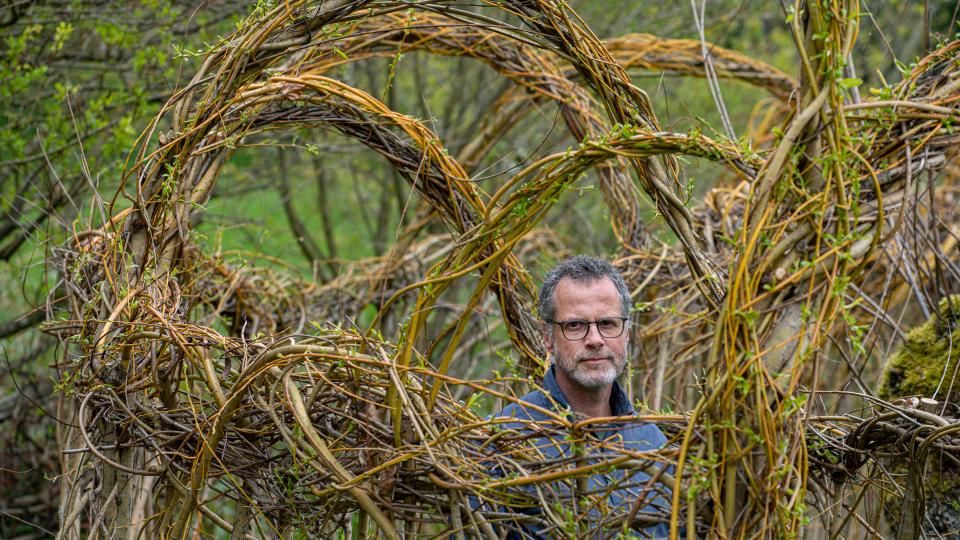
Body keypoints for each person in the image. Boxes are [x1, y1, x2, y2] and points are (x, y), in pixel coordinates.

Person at [482, 255, 671, 538]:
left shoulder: (654, 444)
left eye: (607, 323)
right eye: (575, 325)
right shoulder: (501, 441)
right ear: (547, 338)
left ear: (627, 333)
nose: (595, 339)